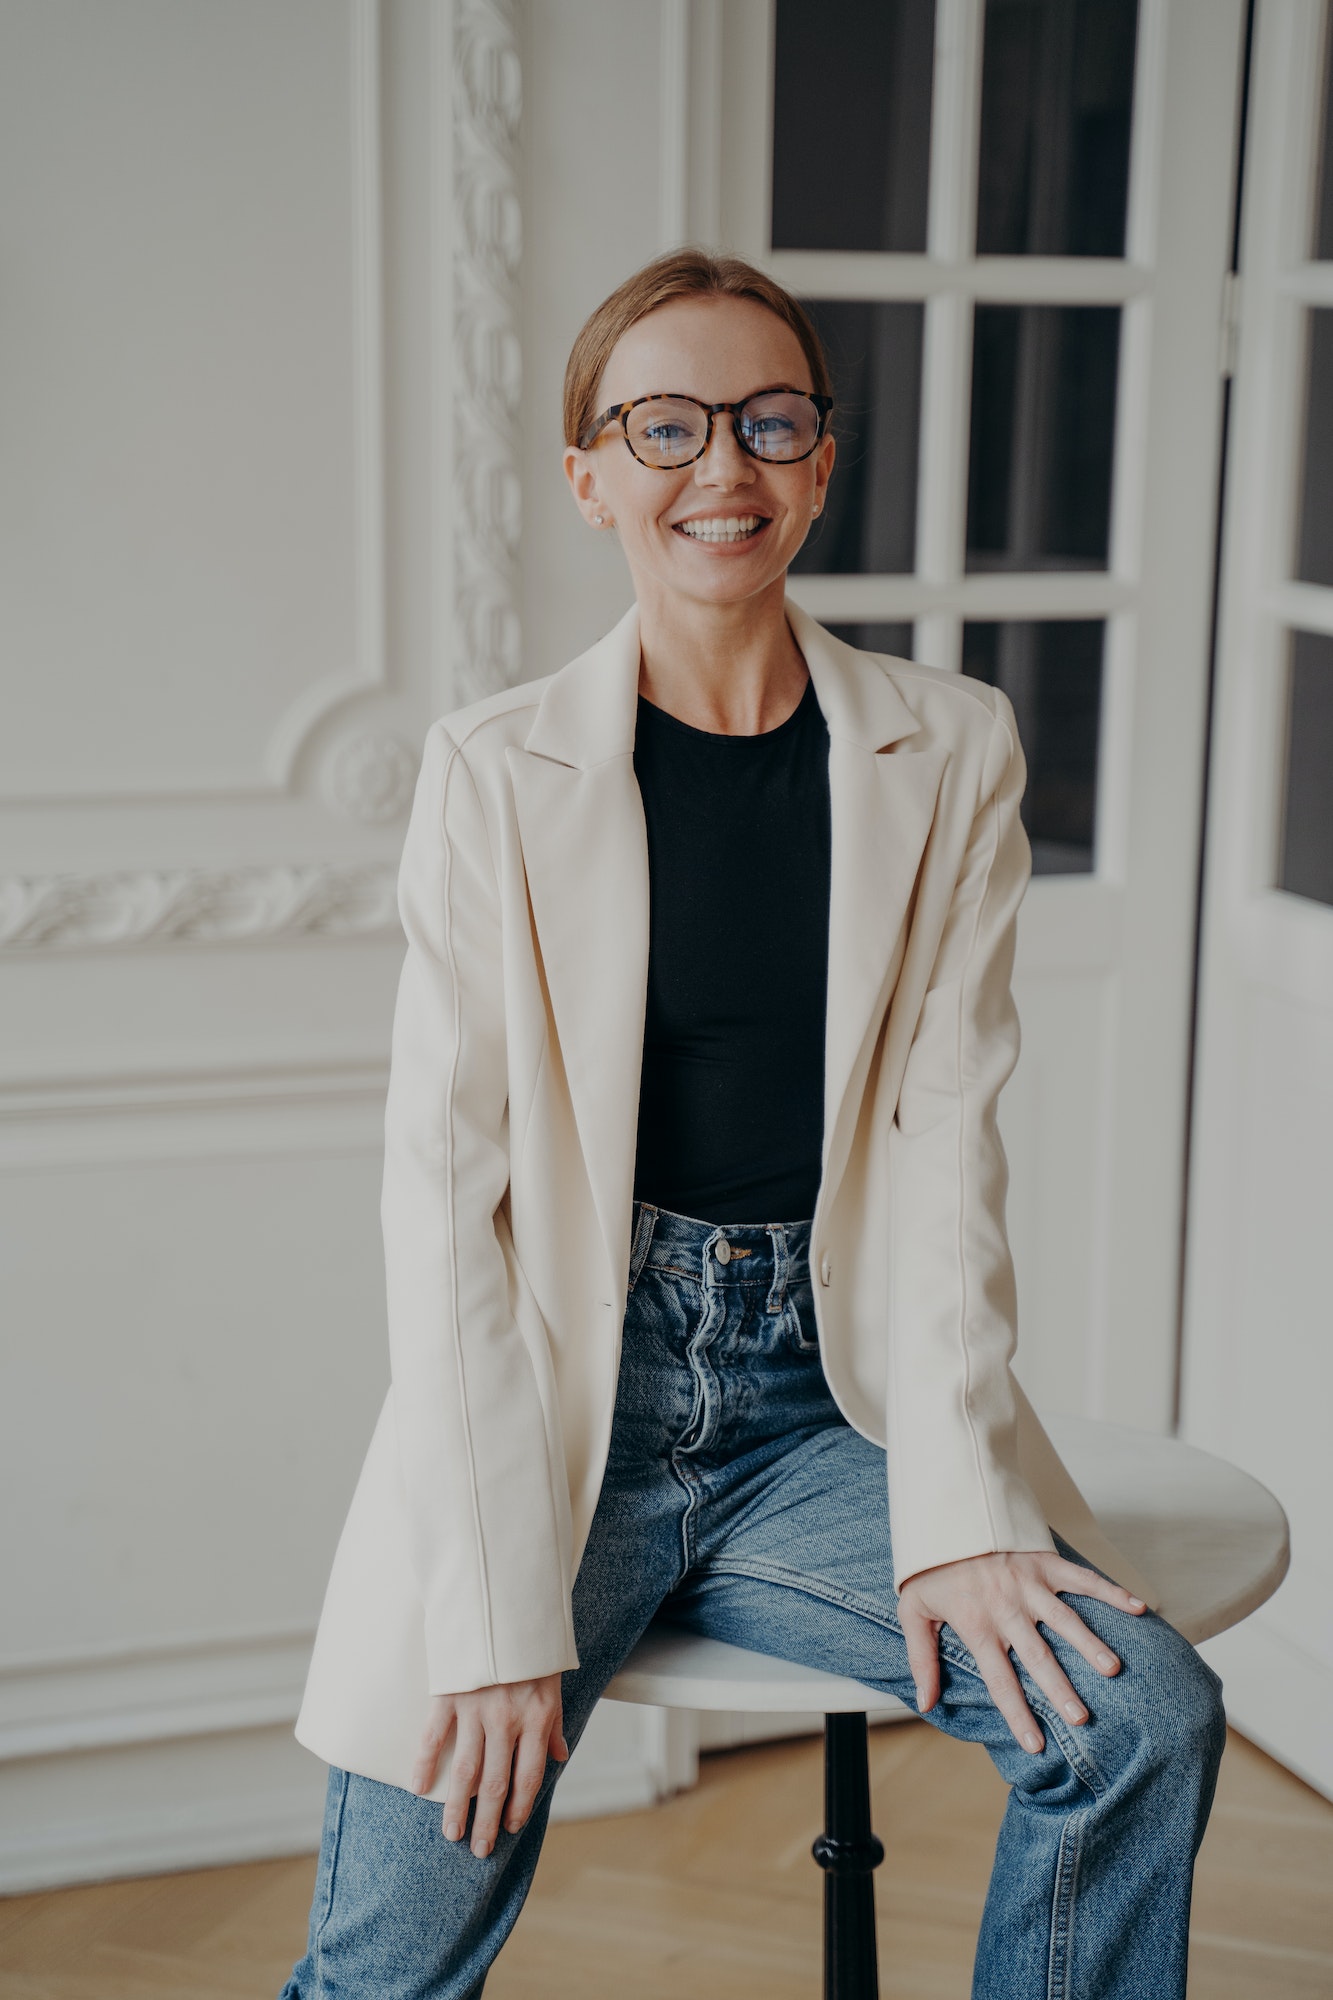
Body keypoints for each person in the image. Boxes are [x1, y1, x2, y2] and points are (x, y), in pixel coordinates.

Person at [281, 250, 1225, 2000]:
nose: (721, 465)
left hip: (824, 1411)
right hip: (572, 1407)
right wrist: (496, 1623)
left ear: (820, 457)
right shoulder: (494, 771)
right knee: (388, 1955)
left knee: (1138, 1718)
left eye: (767, 420)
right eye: (665, 425)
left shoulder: (949, 748)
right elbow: (447, 1207)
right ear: (589, 476)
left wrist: (955, 1510)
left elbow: (949, 1145)